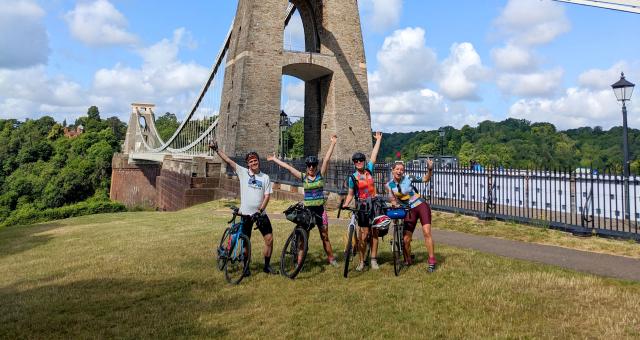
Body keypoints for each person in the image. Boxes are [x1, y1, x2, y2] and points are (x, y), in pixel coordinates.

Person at [267, 135, 339, 267]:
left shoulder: (320, 176)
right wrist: (275, 159)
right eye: (309, 165)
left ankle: (331, 259)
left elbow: (327, 160)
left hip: (320, 211)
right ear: (306, 167)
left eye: (313, 165)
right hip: (308, 211)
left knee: (325, 236)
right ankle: (299, 262)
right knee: (303, 239)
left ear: (316, 166)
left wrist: (333, 143)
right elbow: (289, 168)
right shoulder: (304, 177)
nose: (311, 167)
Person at [209, 141, 277, 275]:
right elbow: (228, 160)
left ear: (259, 161)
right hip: (246, 214)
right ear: (248, 164)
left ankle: (267, 266)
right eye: (251, 161)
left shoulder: (265, 177)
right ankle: (246, 268)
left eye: (255, 160)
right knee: (246, 242)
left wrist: (260, 211)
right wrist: (216, 149)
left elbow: (267, 196)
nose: (253, 163)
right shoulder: (243, 172)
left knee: (269, 239)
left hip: (260, 214)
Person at [385, 159, 437, 272]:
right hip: (408, 210)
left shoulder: (409, 177)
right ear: (392, 170)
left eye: (401, 169)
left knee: (427, 232)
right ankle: (408, 259)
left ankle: (432, 260)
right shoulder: (389, 185)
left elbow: (425, 179)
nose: (399, 171)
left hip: (420, 205)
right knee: (406, 239)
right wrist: (395, 205)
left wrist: (430, 169)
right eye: (397, 169)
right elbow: (393, 200)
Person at [341, 131, 383, 271]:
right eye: (356, 161)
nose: (359, 163)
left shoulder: (369, 170)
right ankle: (361, 261)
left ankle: (373, 260)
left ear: (364, 162)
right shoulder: (352, 178)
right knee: (363, 235)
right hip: (362, 205)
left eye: (361, 160)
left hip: (374, 203)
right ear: (354, 163)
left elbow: (374, 155)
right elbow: (350, 194)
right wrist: (346, 203)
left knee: (375, 232)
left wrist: (378, 140)